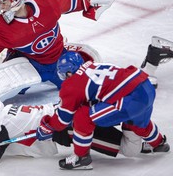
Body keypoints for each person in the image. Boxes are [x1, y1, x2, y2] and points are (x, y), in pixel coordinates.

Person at [35, 51, 170, 170]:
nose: (64, 78)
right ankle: (158, 144)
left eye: (64, 75)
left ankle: (81, 158)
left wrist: (47, 126)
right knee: (140, 124)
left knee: (83, 116)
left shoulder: (72, 83)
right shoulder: (92, 66)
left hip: (131, 98)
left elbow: (62, 120)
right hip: (145, 87)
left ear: (69, 72)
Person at [0, 97, 145, 163]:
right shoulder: (10, 110)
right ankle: (134, 117)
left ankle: (136, 118)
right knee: (111, 118)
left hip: (72, 128)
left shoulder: (1, 125)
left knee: (130, 150)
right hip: (67, 111)